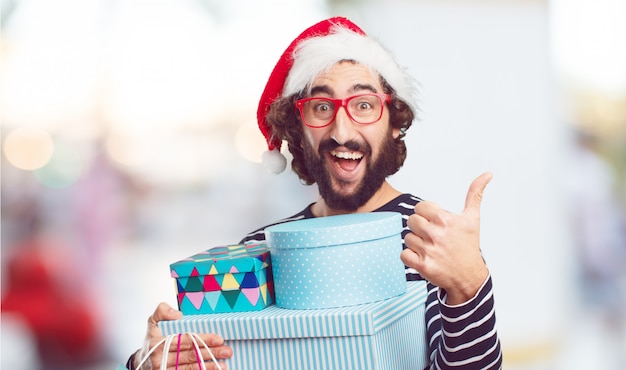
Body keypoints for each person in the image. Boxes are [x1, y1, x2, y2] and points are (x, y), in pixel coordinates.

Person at [125, 16, 502, 369]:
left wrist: (470, 287)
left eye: (364, 105)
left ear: (393, 124)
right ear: (297, 132)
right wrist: (149, 361)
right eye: (321, 107)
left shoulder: (433, 241)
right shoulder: (261, 252)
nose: (341, 130)